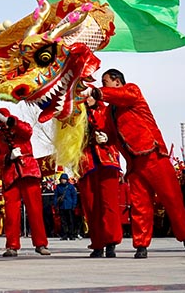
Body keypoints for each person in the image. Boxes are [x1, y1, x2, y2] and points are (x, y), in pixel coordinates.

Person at [96, 68, 185, 258]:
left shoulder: (132, 91)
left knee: (172, 200)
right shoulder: (110, 111)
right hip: (134, 164)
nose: (103, 85)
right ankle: (141, 245)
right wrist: (104, 138)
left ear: (117, 81)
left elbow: (122, 96)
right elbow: (111, 134)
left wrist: (97, 93)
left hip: (153, 156)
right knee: (139, 205)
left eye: (105, 81)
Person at [0, 108, 50, 257]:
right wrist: (7, 157)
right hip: (10, 175)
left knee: (35, 210)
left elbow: (27, 131)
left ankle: (41, 243)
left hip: (28, 170)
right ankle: (12, 245)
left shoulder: (19, 128)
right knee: (11, 213)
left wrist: (9, 121)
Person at [78, 92, 122, 257]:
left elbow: (116, 132)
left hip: (107, 160)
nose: (86, 98)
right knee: (91, 205)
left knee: (109, 204)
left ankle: (111, 242)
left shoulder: (107, 111)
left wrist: (107, 136)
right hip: (85, 162)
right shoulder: (75, 115)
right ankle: (97, 243)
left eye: (89, 95)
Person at [55, 173, 78, 240]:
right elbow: (56, 196)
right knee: (63, 221)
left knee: (71, 221)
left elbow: (74, 196)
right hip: (62, 206)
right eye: (62, 179)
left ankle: (71, 234)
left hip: (69, 206)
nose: (63, 180)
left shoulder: (71, 187)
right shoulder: (58, 187)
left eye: (64, 179)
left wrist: (74, 205)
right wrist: (56, 204)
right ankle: (64, 234)